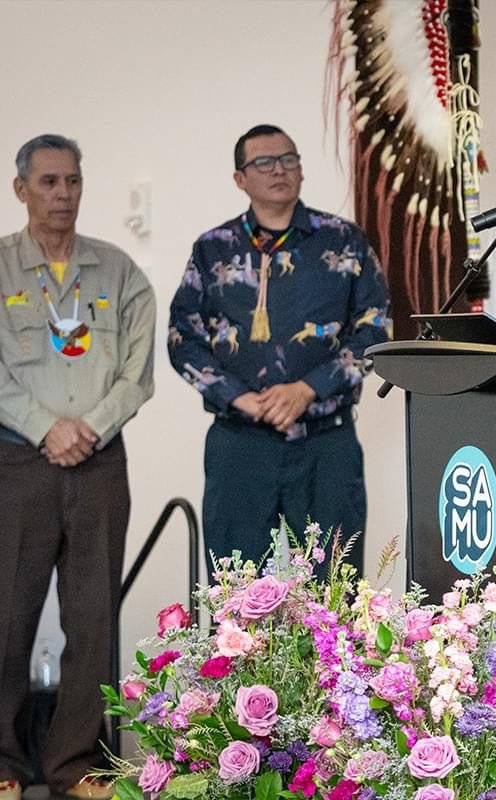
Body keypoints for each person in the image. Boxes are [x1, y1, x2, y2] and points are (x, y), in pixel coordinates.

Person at [0, 134, 155, 800]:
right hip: (18, 463)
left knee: (93, 621)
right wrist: (45, 429)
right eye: (49, 182)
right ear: (21, 190)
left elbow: (137, 372)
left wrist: (87, 429)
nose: (63, 194)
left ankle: (76, 767)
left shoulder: (118, 271)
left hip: (98, 464)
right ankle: (3, 764)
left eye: (73, 181)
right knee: (8, 615)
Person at [168, 124, 391, 578]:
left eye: (289, 159)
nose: (279, 170)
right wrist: (240, 397)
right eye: (263, 162)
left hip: (326, 445)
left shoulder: (344, 241)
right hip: (240, 446)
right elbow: (182, 337)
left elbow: (375, 330)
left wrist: (309, 388)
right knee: (235, 595)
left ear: (302, 170)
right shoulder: (213, 249)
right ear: (240, 179)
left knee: (335, 594)